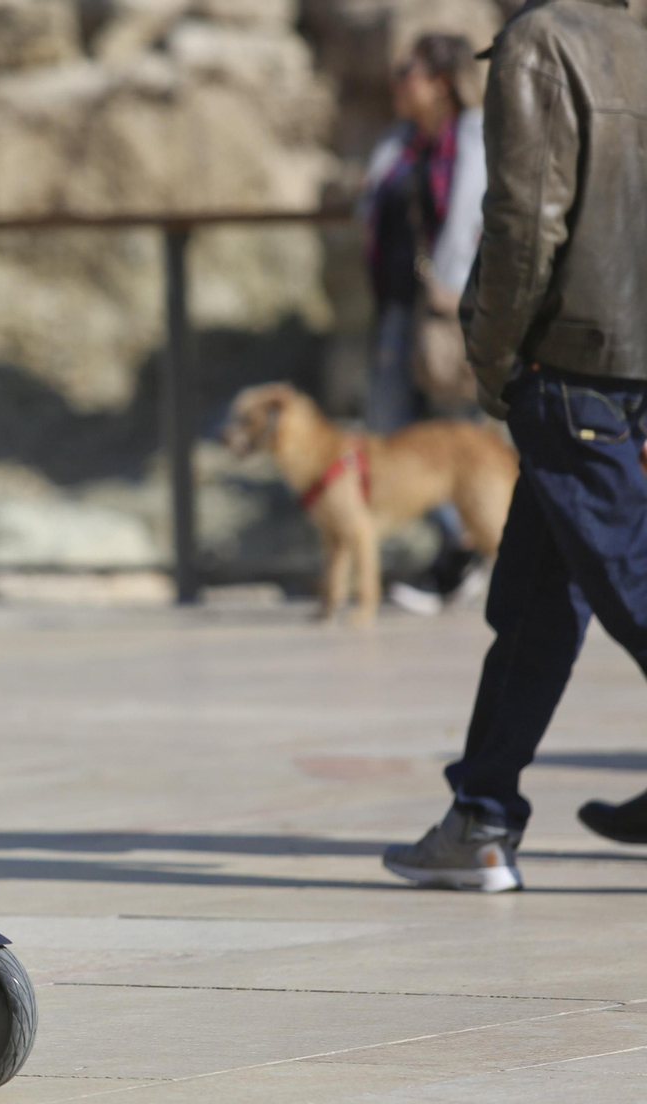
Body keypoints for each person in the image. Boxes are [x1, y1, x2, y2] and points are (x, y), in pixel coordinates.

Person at [382, 0, 647, 892]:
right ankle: (482, 816)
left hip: (568, 364)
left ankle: (482, 817)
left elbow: (525, 222)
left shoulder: (543, 45)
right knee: (535, 601)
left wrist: (494, 361)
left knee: (629, 582)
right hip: (622, 369)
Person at [359, 34, 490, 615]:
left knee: (461, 431)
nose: (396, 83)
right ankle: (462, 543)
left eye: (406, 72)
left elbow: (471, 218)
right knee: (389, 428)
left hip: (448, 309)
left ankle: (467, 551)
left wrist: (453, 283)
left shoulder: (473, 137)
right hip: (397, 306)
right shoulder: (399, 144)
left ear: (438, 80)